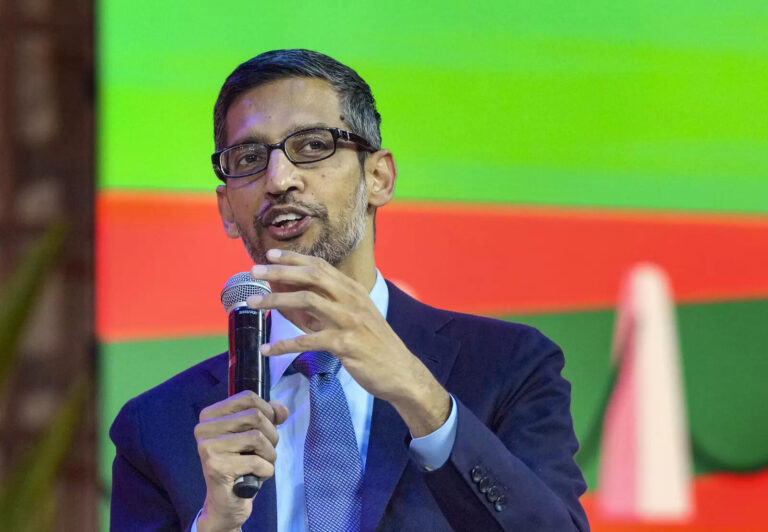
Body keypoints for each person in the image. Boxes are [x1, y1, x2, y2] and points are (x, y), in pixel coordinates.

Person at [110, 49, 589, 531]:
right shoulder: (158, 427)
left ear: (378, 177)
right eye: (250, 159)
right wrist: (215, 523)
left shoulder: (509, 367)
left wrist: (422, 398)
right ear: (227, 209)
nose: (279, 180)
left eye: (313, 146)